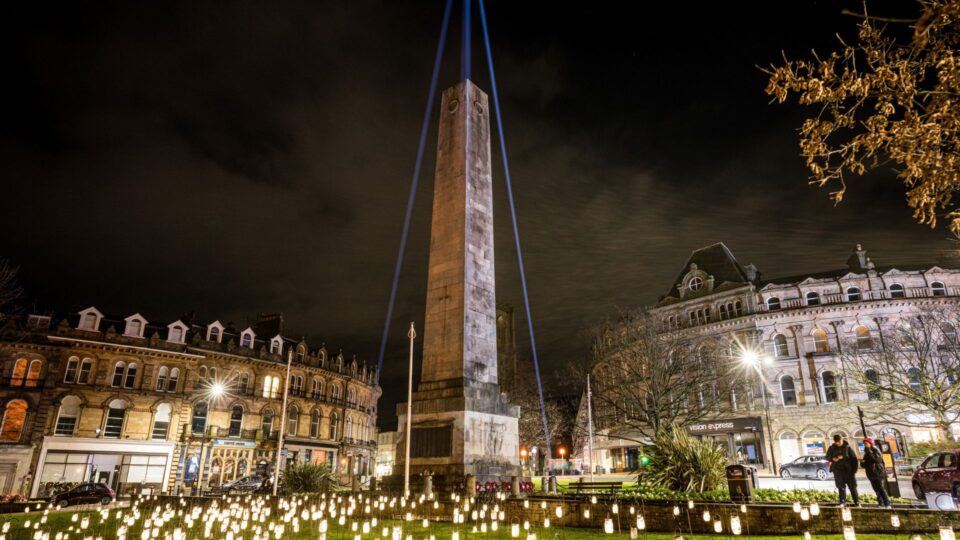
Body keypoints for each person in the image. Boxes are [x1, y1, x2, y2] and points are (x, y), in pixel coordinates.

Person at [825, 433, 860, 506]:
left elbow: (854, 459)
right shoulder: (832, 448)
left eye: (839, 442)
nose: (838, 443)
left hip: (848, 471)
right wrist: (832, 459)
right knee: (841, 487)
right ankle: (842, 502)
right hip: (838, 471)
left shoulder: (847, 447)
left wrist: (854, 470)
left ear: (842, 440)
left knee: (852, 487)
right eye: (836, 442)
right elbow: (827, 457)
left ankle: (856, 502)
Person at [861, 437, 890, 507]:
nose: (865, 445)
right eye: (864, 444)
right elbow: (865, 463)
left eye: (866, 443)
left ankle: (887, 503)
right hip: (870, 473)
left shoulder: (875, 450)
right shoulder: (866, 452)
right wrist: (862, 463)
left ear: (871, 444)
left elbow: (876, 460)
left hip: (878, 472)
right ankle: (881, 503)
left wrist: (868, 452)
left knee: (881, 488)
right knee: (876, 489)